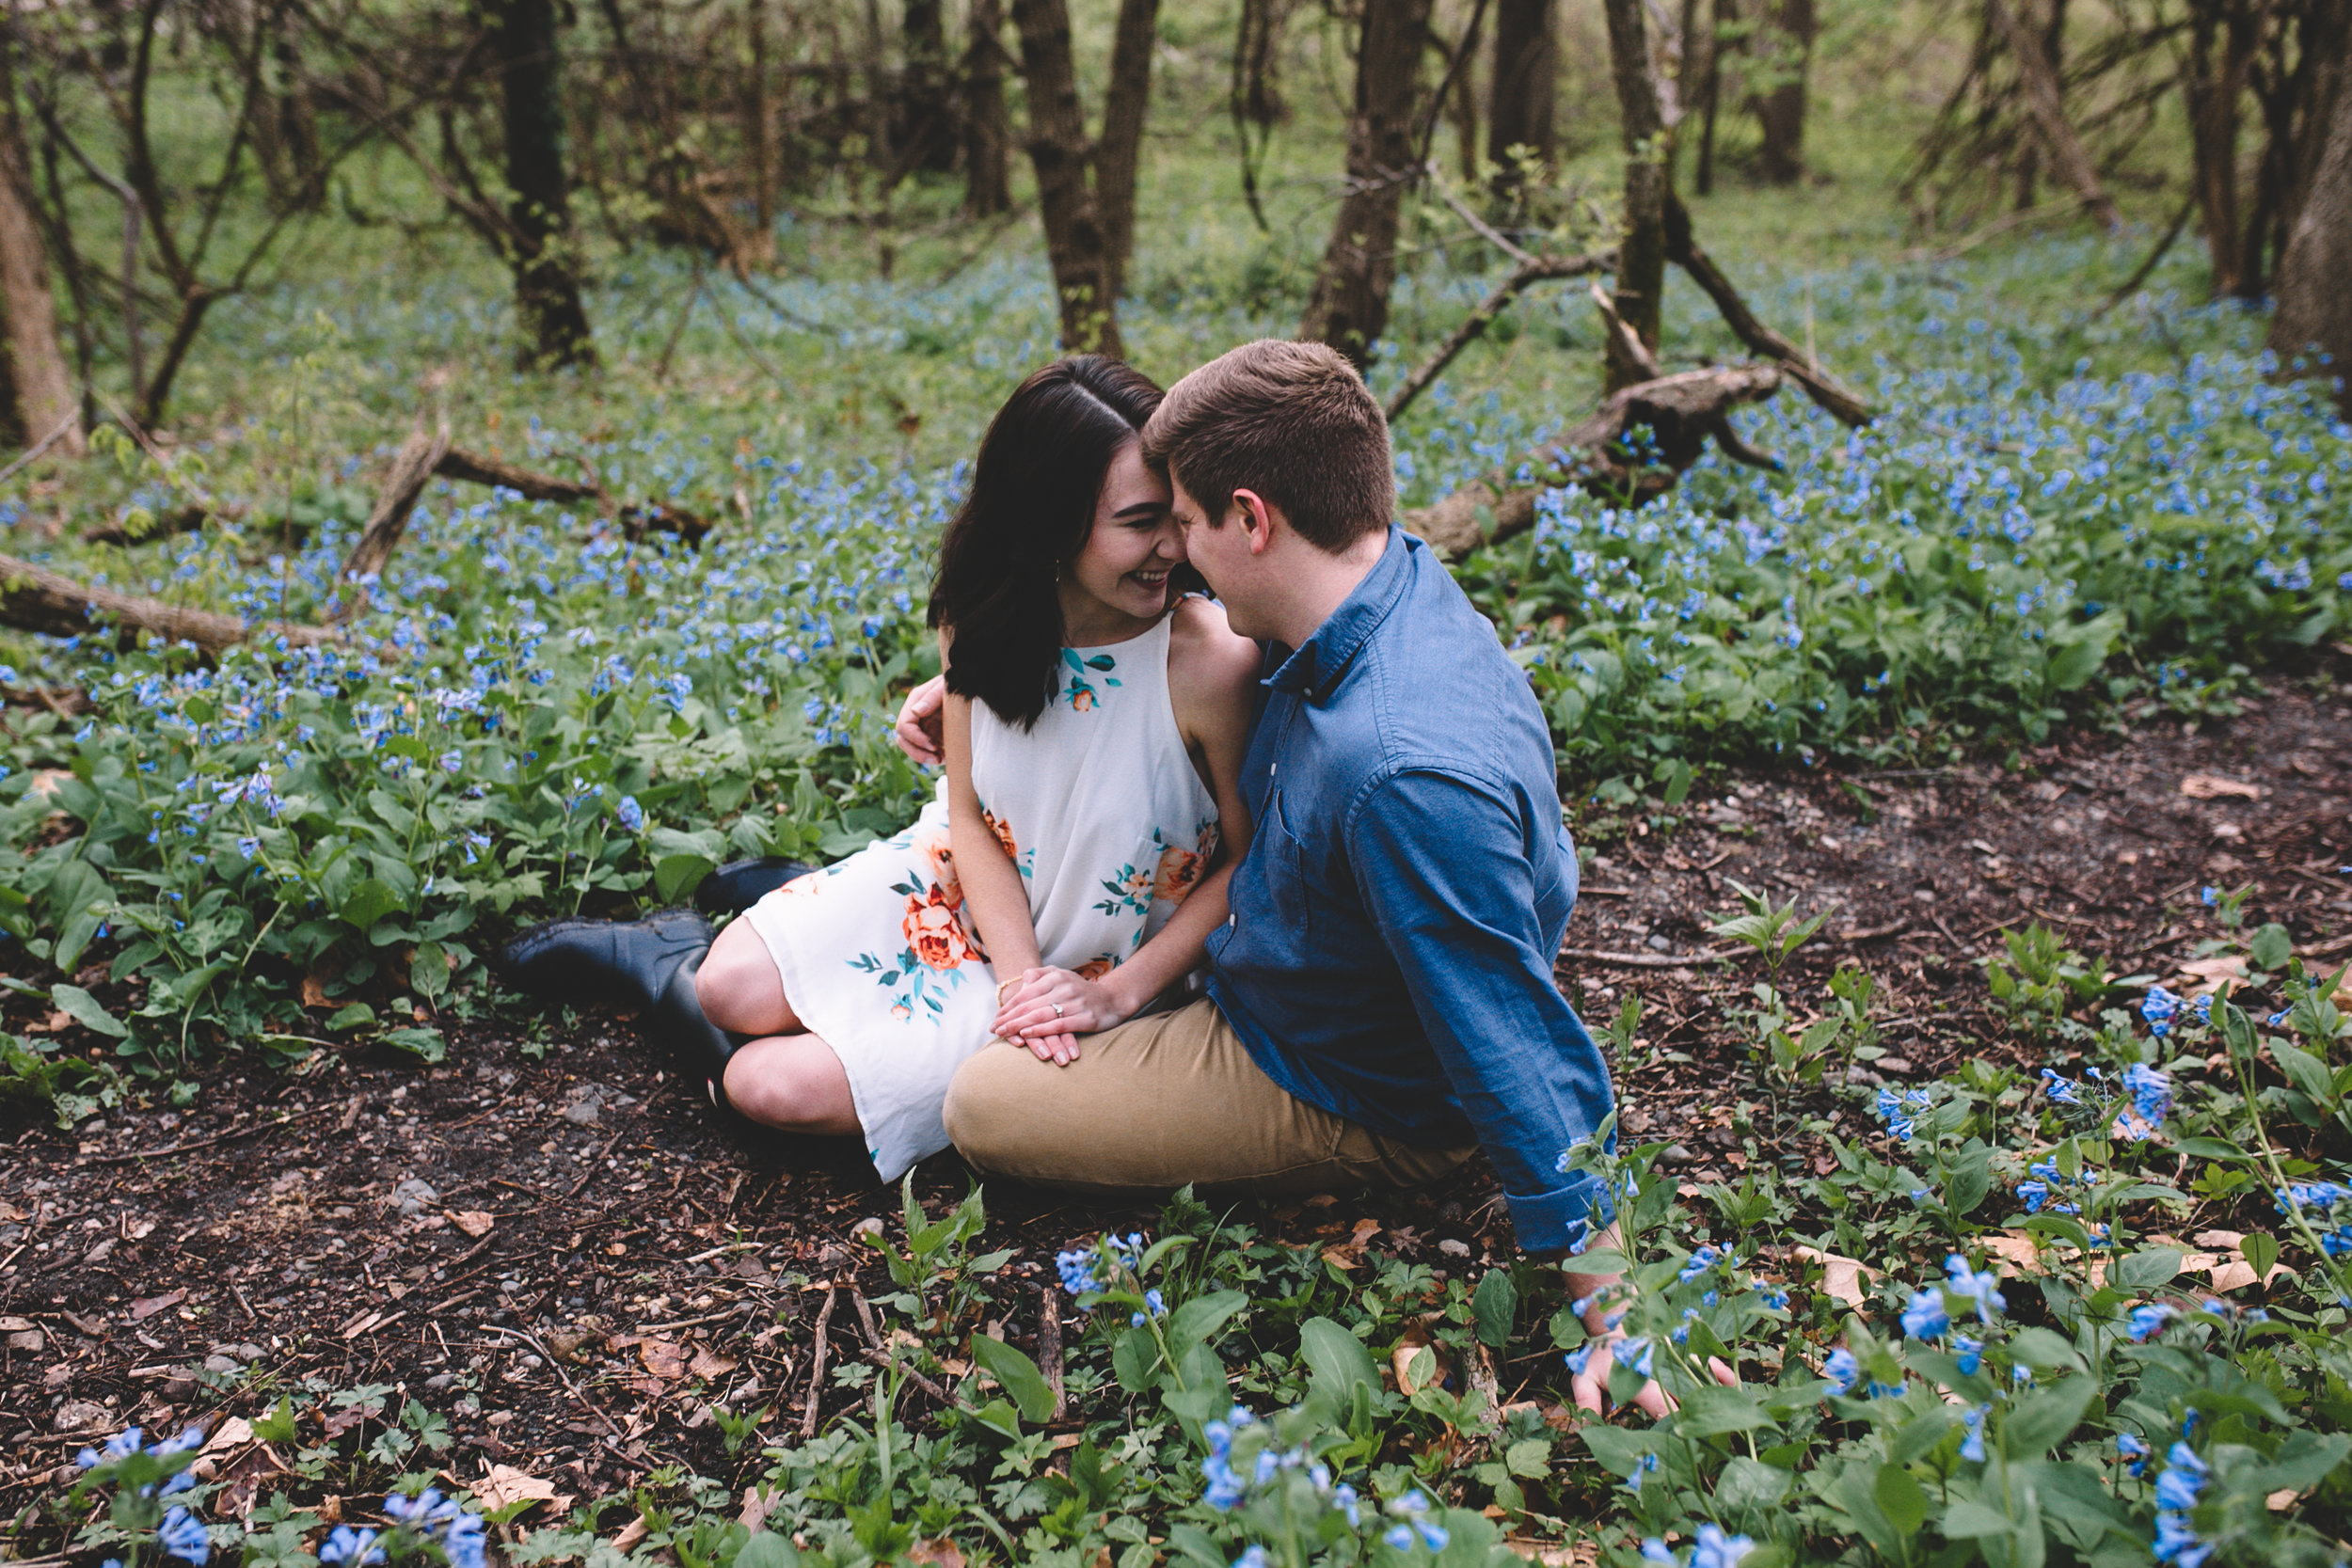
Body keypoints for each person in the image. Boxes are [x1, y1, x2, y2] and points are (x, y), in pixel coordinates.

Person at [898, 339, 1665, 1413]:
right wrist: (983, 694)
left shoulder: (1396, 771)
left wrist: (1619, 1308)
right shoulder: (1377, 586)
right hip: (1281, 960)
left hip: (1340, 1074)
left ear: (1252, 519)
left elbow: (1508, 1028)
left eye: (1190, 523)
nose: (1178, 558)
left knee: (983, 1101)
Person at [498, 356, 1260, 1183]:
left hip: (1099, 967)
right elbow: (969, 815)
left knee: (767, 1085)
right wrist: (1014, 980)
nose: (1173, 546)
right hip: (968, 892)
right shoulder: (986, 618)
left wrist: (1109, 996)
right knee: (727, 989)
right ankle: (674, 954)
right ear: (1050, 522)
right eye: (1140, 521)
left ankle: (655, 972)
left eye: (1177, 514)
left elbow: (1248, 863)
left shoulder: (1210, 663)